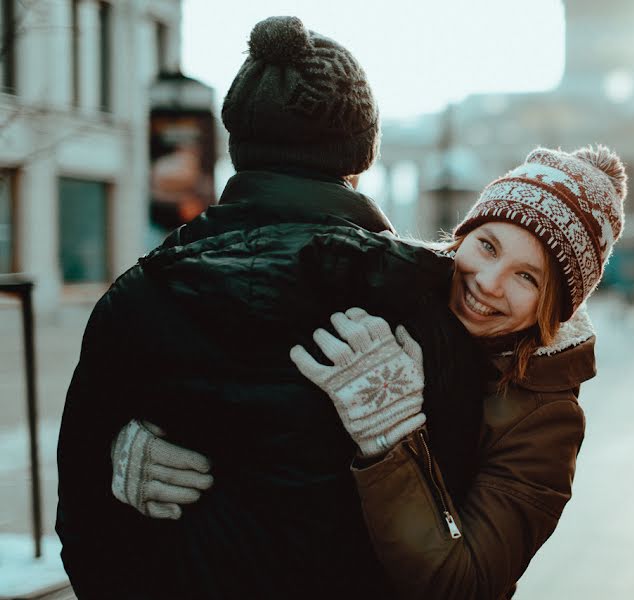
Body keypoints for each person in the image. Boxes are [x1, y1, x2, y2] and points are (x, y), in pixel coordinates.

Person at [56, 15, 480, 599]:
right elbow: (464, 540)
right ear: (359, 155)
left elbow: (83, 530)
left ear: (239, 147)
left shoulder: (135, 300)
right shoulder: (420, 302)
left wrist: (111, 469)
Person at [119, 144, 628, 599]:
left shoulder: (546, 417)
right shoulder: (389, 291)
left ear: (555, 306)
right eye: (488, 246)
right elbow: (268, 403)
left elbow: (463, 582)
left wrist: (390, 434)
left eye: (527, 277)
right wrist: (149, 442)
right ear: (463, 235)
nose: (490, 282)